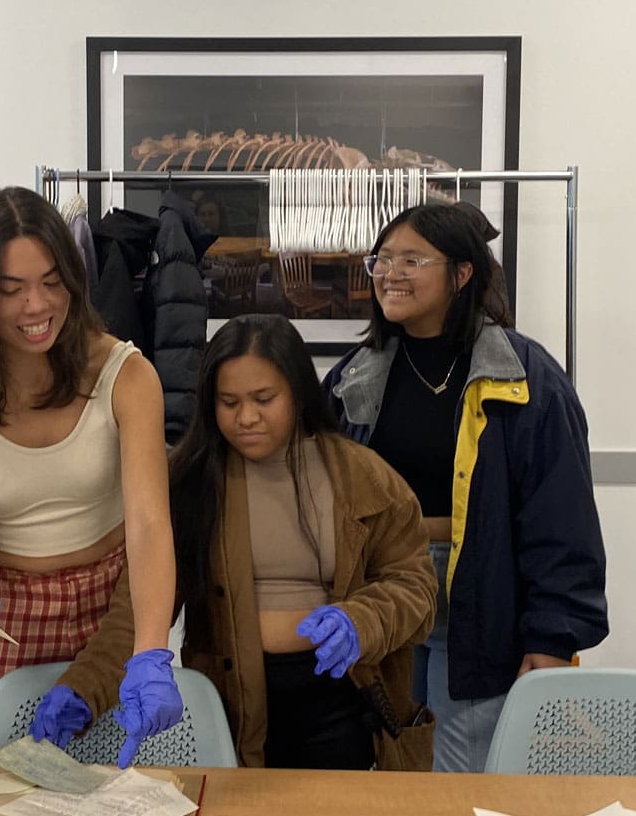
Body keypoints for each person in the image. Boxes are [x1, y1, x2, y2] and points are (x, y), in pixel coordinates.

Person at [46, 315, 435, 768]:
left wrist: (361, 620)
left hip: (349, 707)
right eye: (228, 402)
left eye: (264, 399)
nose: (246, 417)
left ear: (298, 391)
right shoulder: (190, 484)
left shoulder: (366, 479)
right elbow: (136, 610)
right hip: (232, 710)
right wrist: (83, 688)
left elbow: (417, 587)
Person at [323, 201, 607, 773]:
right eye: (382, 258)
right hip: (384, 595)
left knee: (466, 770)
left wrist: (552, 638)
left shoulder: (525, 378)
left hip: (484, 594)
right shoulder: (356, 374)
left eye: (412, 259)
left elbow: (561, 518)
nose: (390, 272)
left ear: (463, 273)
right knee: (396, 758)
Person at [0, 187, 181, 765]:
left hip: (114, 603)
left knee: (120, 788)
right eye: (11, 290)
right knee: (10, 796)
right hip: (11, 614)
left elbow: (151, 527)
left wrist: (152, 652)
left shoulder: (125, 376)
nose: (37, 305)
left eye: (52, 282)